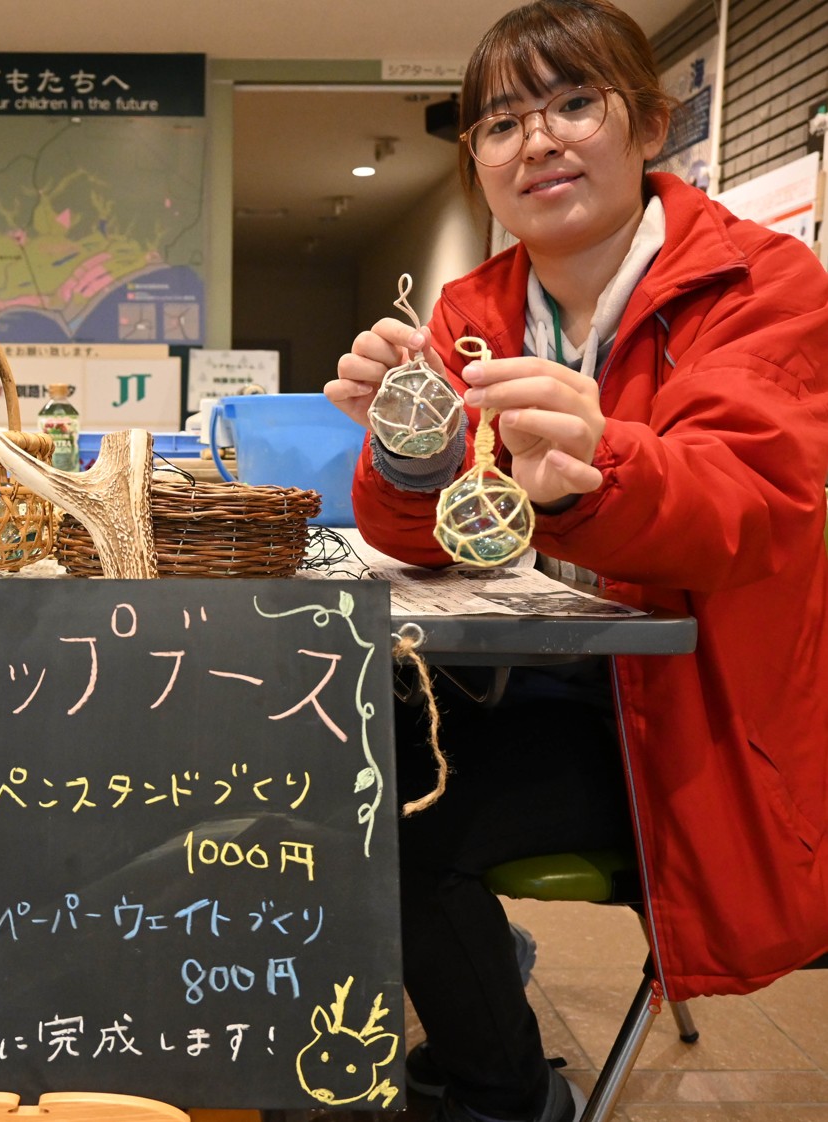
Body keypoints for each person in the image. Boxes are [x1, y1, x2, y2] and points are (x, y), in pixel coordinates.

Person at [328, 2, 828, 1121]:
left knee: (393, 822)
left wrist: (593, 470)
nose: (537, 142)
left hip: (694, 721)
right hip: (527, 681)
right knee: (328, 751)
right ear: (477, 163)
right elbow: (417, 536)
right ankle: (460, 972)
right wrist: (408, 453)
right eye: (501, 124)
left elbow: (744, 510)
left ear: (648, 125)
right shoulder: (472, 308)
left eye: (572, 104)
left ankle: (501, 1094)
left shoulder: (760, 284)